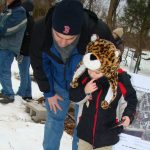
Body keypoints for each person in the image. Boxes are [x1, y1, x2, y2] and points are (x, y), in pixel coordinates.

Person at [30, 0, 116, 150]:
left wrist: (99, 93)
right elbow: (39, 63)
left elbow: (110, 65)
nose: (63, 43)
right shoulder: (40, 29)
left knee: (83, 126)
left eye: (70, 38)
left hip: (86, 87)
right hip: (57, 84)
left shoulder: (97, 32)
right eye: (58, 36)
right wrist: (48, 92)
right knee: (54, 120)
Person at [69, 37, 138, 150]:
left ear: (108, 69)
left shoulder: (120, 80)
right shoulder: (85, 77)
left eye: (96, 72)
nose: (91, 73)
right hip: (85, 133)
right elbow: (72, 95)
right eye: (89, 69)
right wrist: (84, 91)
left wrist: (128, 116)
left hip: (106, 136)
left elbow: (131, 100)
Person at [0, 0, 27, 104]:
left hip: (9, 46)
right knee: (2, 69)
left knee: (3, 69)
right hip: (3, 45)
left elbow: (8, 29)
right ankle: (5, 91)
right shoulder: (8, 9)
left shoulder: (19, 11)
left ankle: (9, 94)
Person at [16, 0, 34, 102]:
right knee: (25, 72)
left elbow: (23, 38)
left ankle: (21, 93)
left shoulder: (25, 21)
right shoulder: (31, 20)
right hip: (29, 52)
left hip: (24, 52)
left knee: (23, 73)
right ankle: (28, 93)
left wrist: (20, 51)